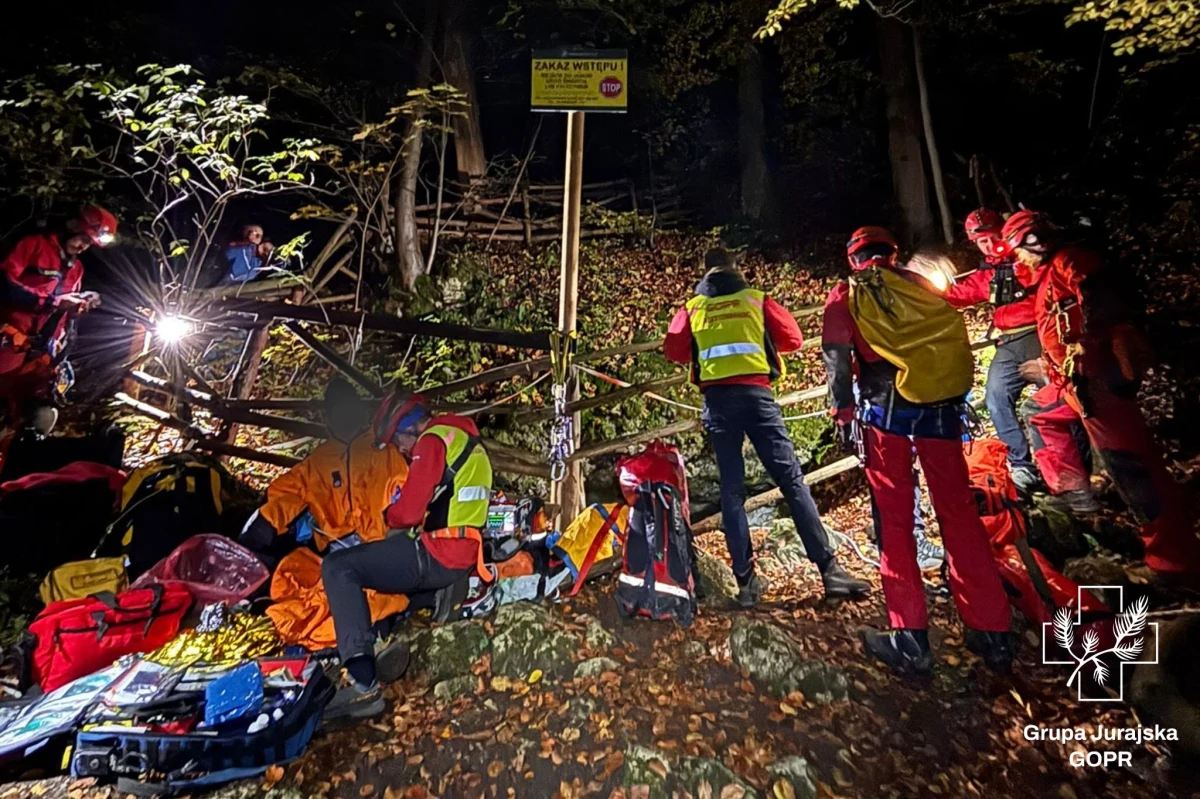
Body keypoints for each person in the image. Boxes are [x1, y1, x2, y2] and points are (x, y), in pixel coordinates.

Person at [822, 226, 1013, 675]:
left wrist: (843, 411)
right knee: (958, 513)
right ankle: (992, 630)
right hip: (941, 410)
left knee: (895, 522)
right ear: (894, 254)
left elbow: (835, 354)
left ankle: (910, 637)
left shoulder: (846, 294)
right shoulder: (922, 286)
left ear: (853, 259)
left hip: (885, 418)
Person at [664, 248, 870, 608]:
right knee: (791, 481)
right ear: (735, 268)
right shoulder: (757, 301)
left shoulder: (692, 309)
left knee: (731, 490)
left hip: (718, 403)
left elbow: (673, 350)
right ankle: (830, 570)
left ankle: (745, 582)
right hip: (758, 397)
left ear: (705, 272)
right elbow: (793, 338)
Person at [1004, 210, 1200, 576]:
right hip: (1076, 384)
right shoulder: (1048, 273)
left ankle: (1173, 561)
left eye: (1020, 249)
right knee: (1041, 413)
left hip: (1098, 382)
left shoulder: (1069, 261)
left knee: (1135, 469)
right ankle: (1080, 501)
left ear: (1035, 240)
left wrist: (1086, 347)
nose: (1020, 258)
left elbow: (1100, 302)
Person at [321, 390, 494, 720]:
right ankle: (386, 641)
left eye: (396, 440)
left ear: (410, 427)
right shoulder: (466, 441)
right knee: (386, 574)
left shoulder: (432, 441)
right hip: (463, 551)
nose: (399, 449)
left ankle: (362, 684)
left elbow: (409, 513)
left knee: (339, 567)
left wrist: (387, 516)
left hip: (437, 553)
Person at [239, 379, 410, 564]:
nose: (345, 416)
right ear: (329, 418)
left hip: (380, 543)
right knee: (271, 522)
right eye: (339, 411)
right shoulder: (318, 461)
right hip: (333, 546)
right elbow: (279, 494)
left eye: (348, 409)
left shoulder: (382, 451)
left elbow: (408, 493)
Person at [943, 208, 1050, 495]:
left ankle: (1064, 466)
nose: (990, 245)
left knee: (1060, 400)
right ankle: (1021, 466)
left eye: (992, 237)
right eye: (981, 242)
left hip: (1040, 336)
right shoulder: (987, 273)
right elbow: (956, 295)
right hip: (1009, 343)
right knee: (996, 397)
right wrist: (921, 284)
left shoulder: (1027, 256)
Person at [1, 206, 114, 440]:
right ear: (72, 225)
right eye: (83, 238)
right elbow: (3, 285)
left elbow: (63, 313)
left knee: (37, 418)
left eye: (88, 244)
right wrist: (51, 301)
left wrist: (79, 305)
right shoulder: (33, 246)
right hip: (9, 340)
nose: (83, 246)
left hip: (40, 353)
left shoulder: (77, 270)